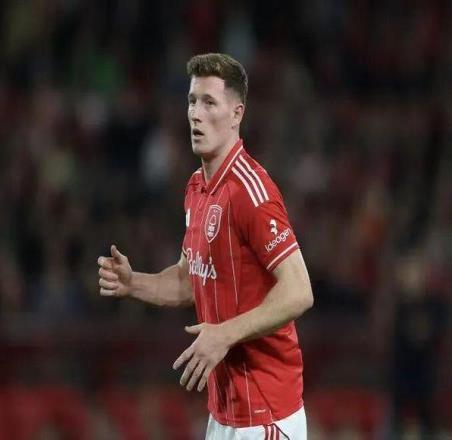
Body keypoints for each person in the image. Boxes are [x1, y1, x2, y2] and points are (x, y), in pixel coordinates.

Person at [98, 53, 314, 439]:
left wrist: (224, 333)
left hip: (266, 416)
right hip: (225, 414)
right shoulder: (196, 188)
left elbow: (299, 291)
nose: (196, 114)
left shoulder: (251, 191)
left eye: (209, 103)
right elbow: (188, 280)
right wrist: (134, 283)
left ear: (236, 114)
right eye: (192, 101)